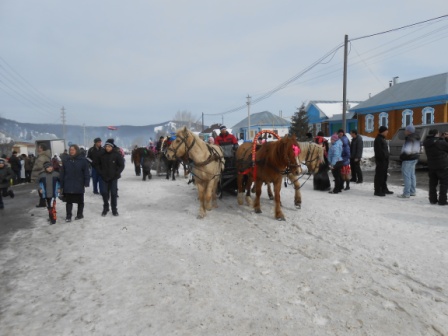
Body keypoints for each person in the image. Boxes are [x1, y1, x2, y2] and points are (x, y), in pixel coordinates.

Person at [60, 144, 90, 222]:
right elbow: (62, 173)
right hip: (68, 183)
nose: (71, 151)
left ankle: (80, 214)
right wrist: (61, 183)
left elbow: (86, 172)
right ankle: (68, 216)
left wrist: (86, 182)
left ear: (77, 150)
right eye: (70, 150)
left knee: (80, 201)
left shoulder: (83, 160)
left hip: (79, 183)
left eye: (73, 150)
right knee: (68, 201)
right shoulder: (66, 160)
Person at [98, 139, 125, 217]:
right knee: (104, 193)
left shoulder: (116, 155)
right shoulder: (102, 155)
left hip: (113, 178)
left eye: (109, 146)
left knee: (113, 194)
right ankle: (105, 207)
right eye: (106, 146)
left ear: (112, 147)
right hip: (104, 177)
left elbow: (121, 165)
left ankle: (114, 209)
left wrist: (117, 173)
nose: (107, 148)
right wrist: (100, 172)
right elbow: (97, 164)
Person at [423, 129, 448, 205]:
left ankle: (432, 199)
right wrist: (445, 138)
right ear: (436, 134)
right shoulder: (441, 142)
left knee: (432, 184)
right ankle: (442, 200)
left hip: (431, 165)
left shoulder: (426, 142)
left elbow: (434, 142)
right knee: (444, 183)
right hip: (442, 165)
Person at [397, 125, 421, 198]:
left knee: (406, 175)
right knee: (412, 175)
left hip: (408, 159)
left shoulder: (409, 139)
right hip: (415, 158)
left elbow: (407, 150)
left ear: (408, 131)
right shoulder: (417, 138)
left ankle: (406, 193)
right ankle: (412, 191)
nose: (405, 131)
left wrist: (401, 157)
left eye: (406, 130)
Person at [374, 126, 393, 196]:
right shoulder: (378, 139)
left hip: (384, 161)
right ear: (383, 131)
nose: (387, 132)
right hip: (381, 161)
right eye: (386, 131)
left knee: (384, 175)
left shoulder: (382, 139)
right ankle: (378, 190)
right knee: (379, 176)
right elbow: (379, 151)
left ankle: (384, 189)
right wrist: (383, 158)